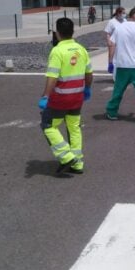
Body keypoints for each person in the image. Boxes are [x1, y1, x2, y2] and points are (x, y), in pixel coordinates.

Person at [39, 17, 93, 174]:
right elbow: (89, 73)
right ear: (73, 32)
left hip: (60, 99)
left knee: (48, 125)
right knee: (74, 128)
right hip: (77, 97)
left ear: (57, 33)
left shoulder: (57, 51)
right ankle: (78, 163)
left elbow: (53, 76)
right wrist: (87, 89)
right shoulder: (80, 49)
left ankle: (67, 157)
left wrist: (45, 97)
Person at [104, 6, 126, 75]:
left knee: (122, 57)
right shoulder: (112, 22)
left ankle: (122, 71)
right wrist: (108, 41)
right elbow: (108, 33)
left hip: (123, 42)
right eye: (123, 13)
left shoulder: (125, 21)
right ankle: (111, 66)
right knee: (113, 56)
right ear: (118, 13)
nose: (124, 14)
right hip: (113, 42)